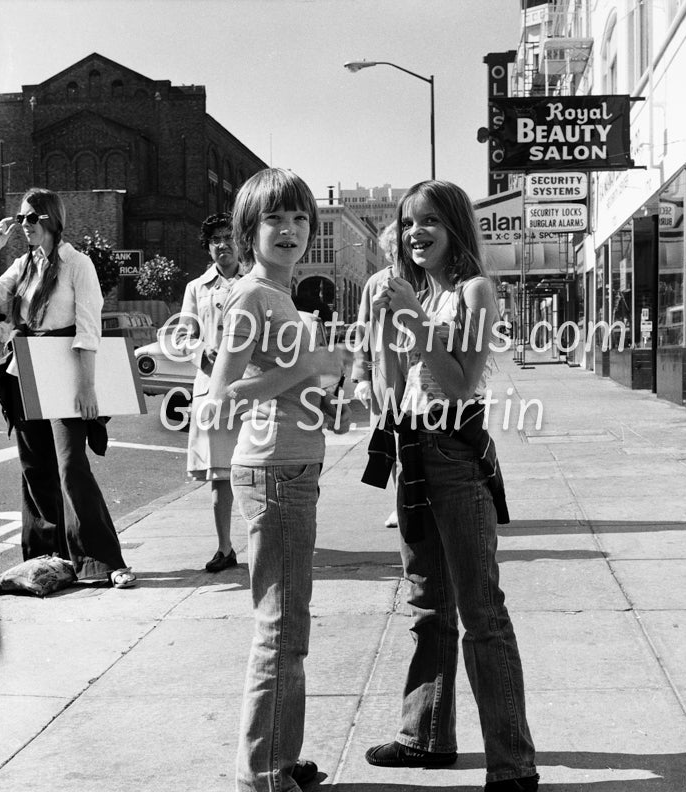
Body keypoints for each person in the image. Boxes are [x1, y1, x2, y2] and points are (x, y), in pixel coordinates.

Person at [362, 180, 539, 792]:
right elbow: (390, 386)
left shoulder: (473, 292)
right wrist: (385, 322)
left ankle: (513, 765)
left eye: (431, 221)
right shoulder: (417, 291)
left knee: (481, 612)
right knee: (425, 604)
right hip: (410, 446)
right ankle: (425, 737)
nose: (417, 232)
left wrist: (412, 314)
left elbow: (461, 383)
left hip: (456, 451)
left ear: (456, 227)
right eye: (409, 222)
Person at [207, 168, 345, 792]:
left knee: (290, 626)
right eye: (273, 220)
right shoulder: (250, 297)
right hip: (272, 470)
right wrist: (309, 364)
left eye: (297, 219)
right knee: (281, 627)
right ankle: (263, 776)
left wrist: (326, 398)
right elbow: (223, 397)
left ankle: (280, 761)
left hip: (292, 463)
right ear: (248, 232)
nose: (288, 230)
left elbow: (286, 385)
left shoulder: (281, 297)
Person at [0, 188, 135, 588]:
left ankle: (102, 560)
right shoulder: (22, 265)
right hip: (26, 368)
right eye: (21, 219)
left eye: (32, 218)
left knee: (71, 466)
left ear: (52, 220)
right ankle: (45, 559)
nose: (25, 225)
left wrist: (87, 387)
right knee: (34, 466)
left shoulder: (77, 264)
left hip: (66, 367)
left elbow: (89, 328)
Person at [177, 212, 243, 572]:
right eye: (216, 239)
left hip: (252, 387)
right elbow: (183, 336)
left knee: (259, 467)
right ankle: (225, 547)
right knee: (221, 474)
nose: (223, 244)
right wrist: (203, 352)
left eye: (229, 237)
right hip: (213, 389)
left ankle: (270, 540)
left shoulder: (256, 282)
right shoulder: (196, 288)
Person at [351, 222, 403, 528]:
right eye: (394, 245)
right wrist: (364, 377)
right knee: (390, 444)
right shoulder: (376, 282)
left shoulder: (428, 279)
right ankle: (401, 502)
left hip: (420, 376)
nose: (400, 249)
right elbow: (363, 331)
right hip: (385, 375)